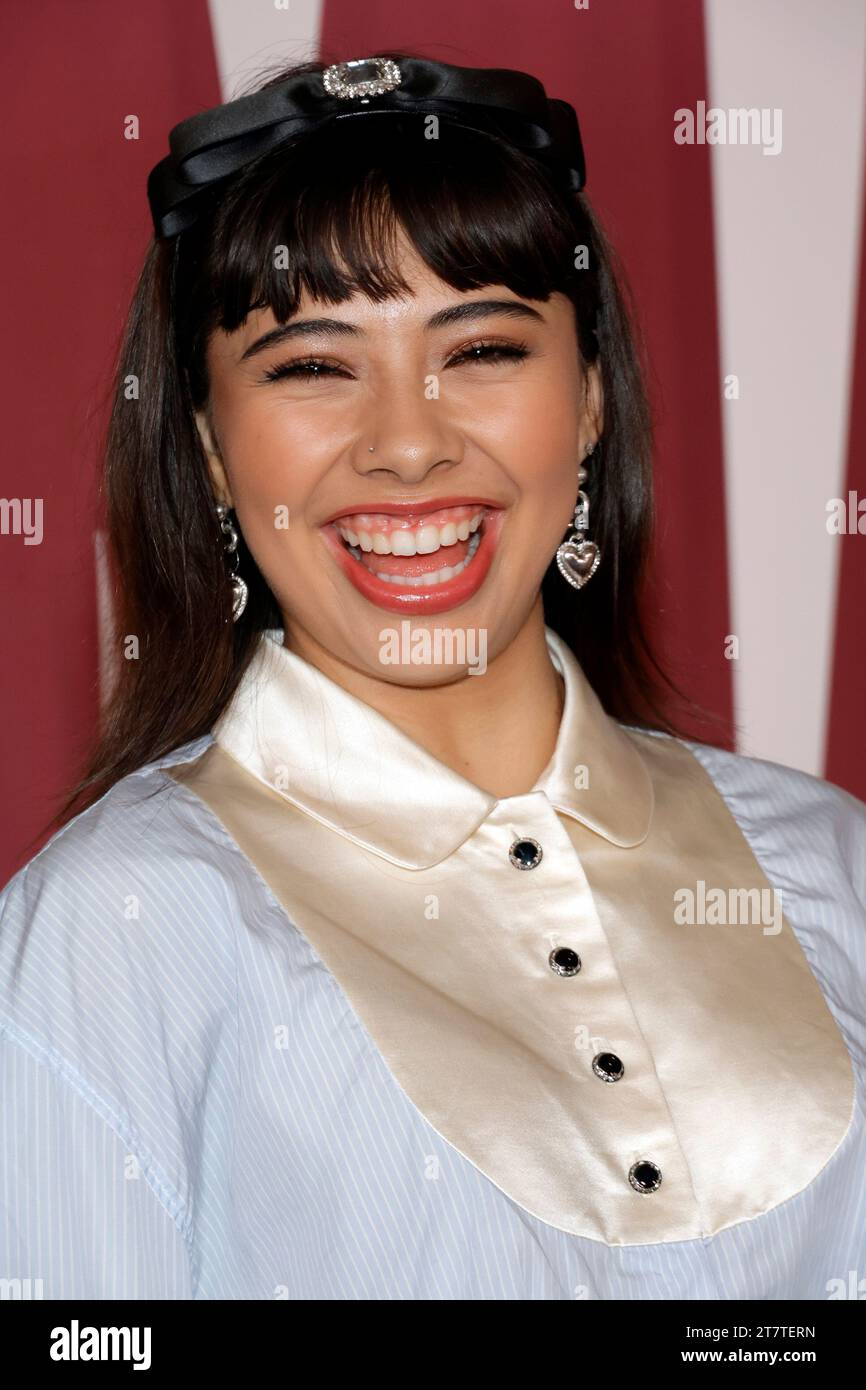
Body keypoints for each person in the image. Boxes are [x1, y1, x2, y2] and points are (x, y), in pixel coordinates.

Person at [1, 52, 864, 1302]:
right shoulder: (113, 931)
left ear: (588, 405)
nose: (407, 443)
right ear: (208, 451)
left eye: (483, 350)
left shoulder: (832, 862)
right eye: (310, 366)